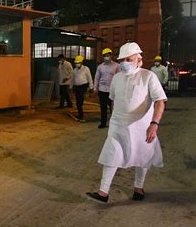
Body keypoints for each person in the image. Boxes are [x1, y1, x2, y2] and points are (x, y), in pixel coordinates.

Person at [86, 42, 167, 203]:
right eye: (122, 59)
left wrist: (154, 124)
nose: (124, 63)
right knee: (111, 154)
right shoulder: (117, 78)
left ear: (139, 59)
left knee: (142, 155)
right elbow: (114, 101)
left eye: (128, 59)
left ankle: (138, 187)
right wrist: (113, 118)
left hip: (141, 126)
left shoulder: (148, 76)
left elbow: (160, 101)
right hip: (118, 125)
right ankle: (103, 192)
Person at [94, 48, 120, 128]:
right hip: (102, 90)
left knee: (114, 108)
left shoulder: (116, 66)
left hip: (112, 90)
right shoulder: (100, 67)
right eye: (105, 56)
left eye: (108, 55)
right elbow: (97, 78)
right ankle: (103, 123)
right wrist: (95, 88)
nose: (106, 57)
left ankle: (114, 123)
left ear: (111, 55)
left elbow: (119, 78)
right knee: (103, 107)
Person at [70, 55, 93, 121]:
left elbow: (89, 78)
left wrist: (91, 87)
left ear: (81, 62)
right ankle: (80, 113)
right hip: (77, 87)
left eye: (78, 62)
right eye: (76, 63)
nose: (77, 64)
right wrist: (71, 87)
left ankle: (81, 115)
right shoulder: (74, 71)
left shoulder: (86, 69)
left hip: (83, 86)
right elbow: (72, 79)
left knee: (80, 100)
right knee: (78, 101)